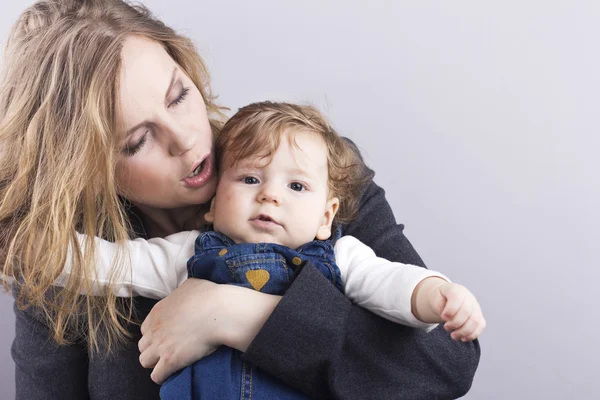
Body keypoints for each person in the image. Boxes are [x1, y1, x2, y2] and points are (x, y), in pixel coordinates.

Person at [0, 1, 481, 399]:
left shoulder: (307, 173)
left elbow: (443, 365)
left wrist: (234, 315)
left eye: (177, 96)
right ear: (80, 171)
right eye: (137, 141)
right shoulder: (71, 255)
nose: (188, 140)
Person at [61, 101, 484, 399]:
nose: (270, 196)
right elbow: (113, 266)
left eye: (296, 186)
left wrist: (437, 296)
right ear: (212, 203)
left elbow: (394, 286)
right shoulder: (189, 253)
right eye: (249, 179)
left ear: (326, 216)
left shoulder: (341, 256)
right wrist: (39, 250)